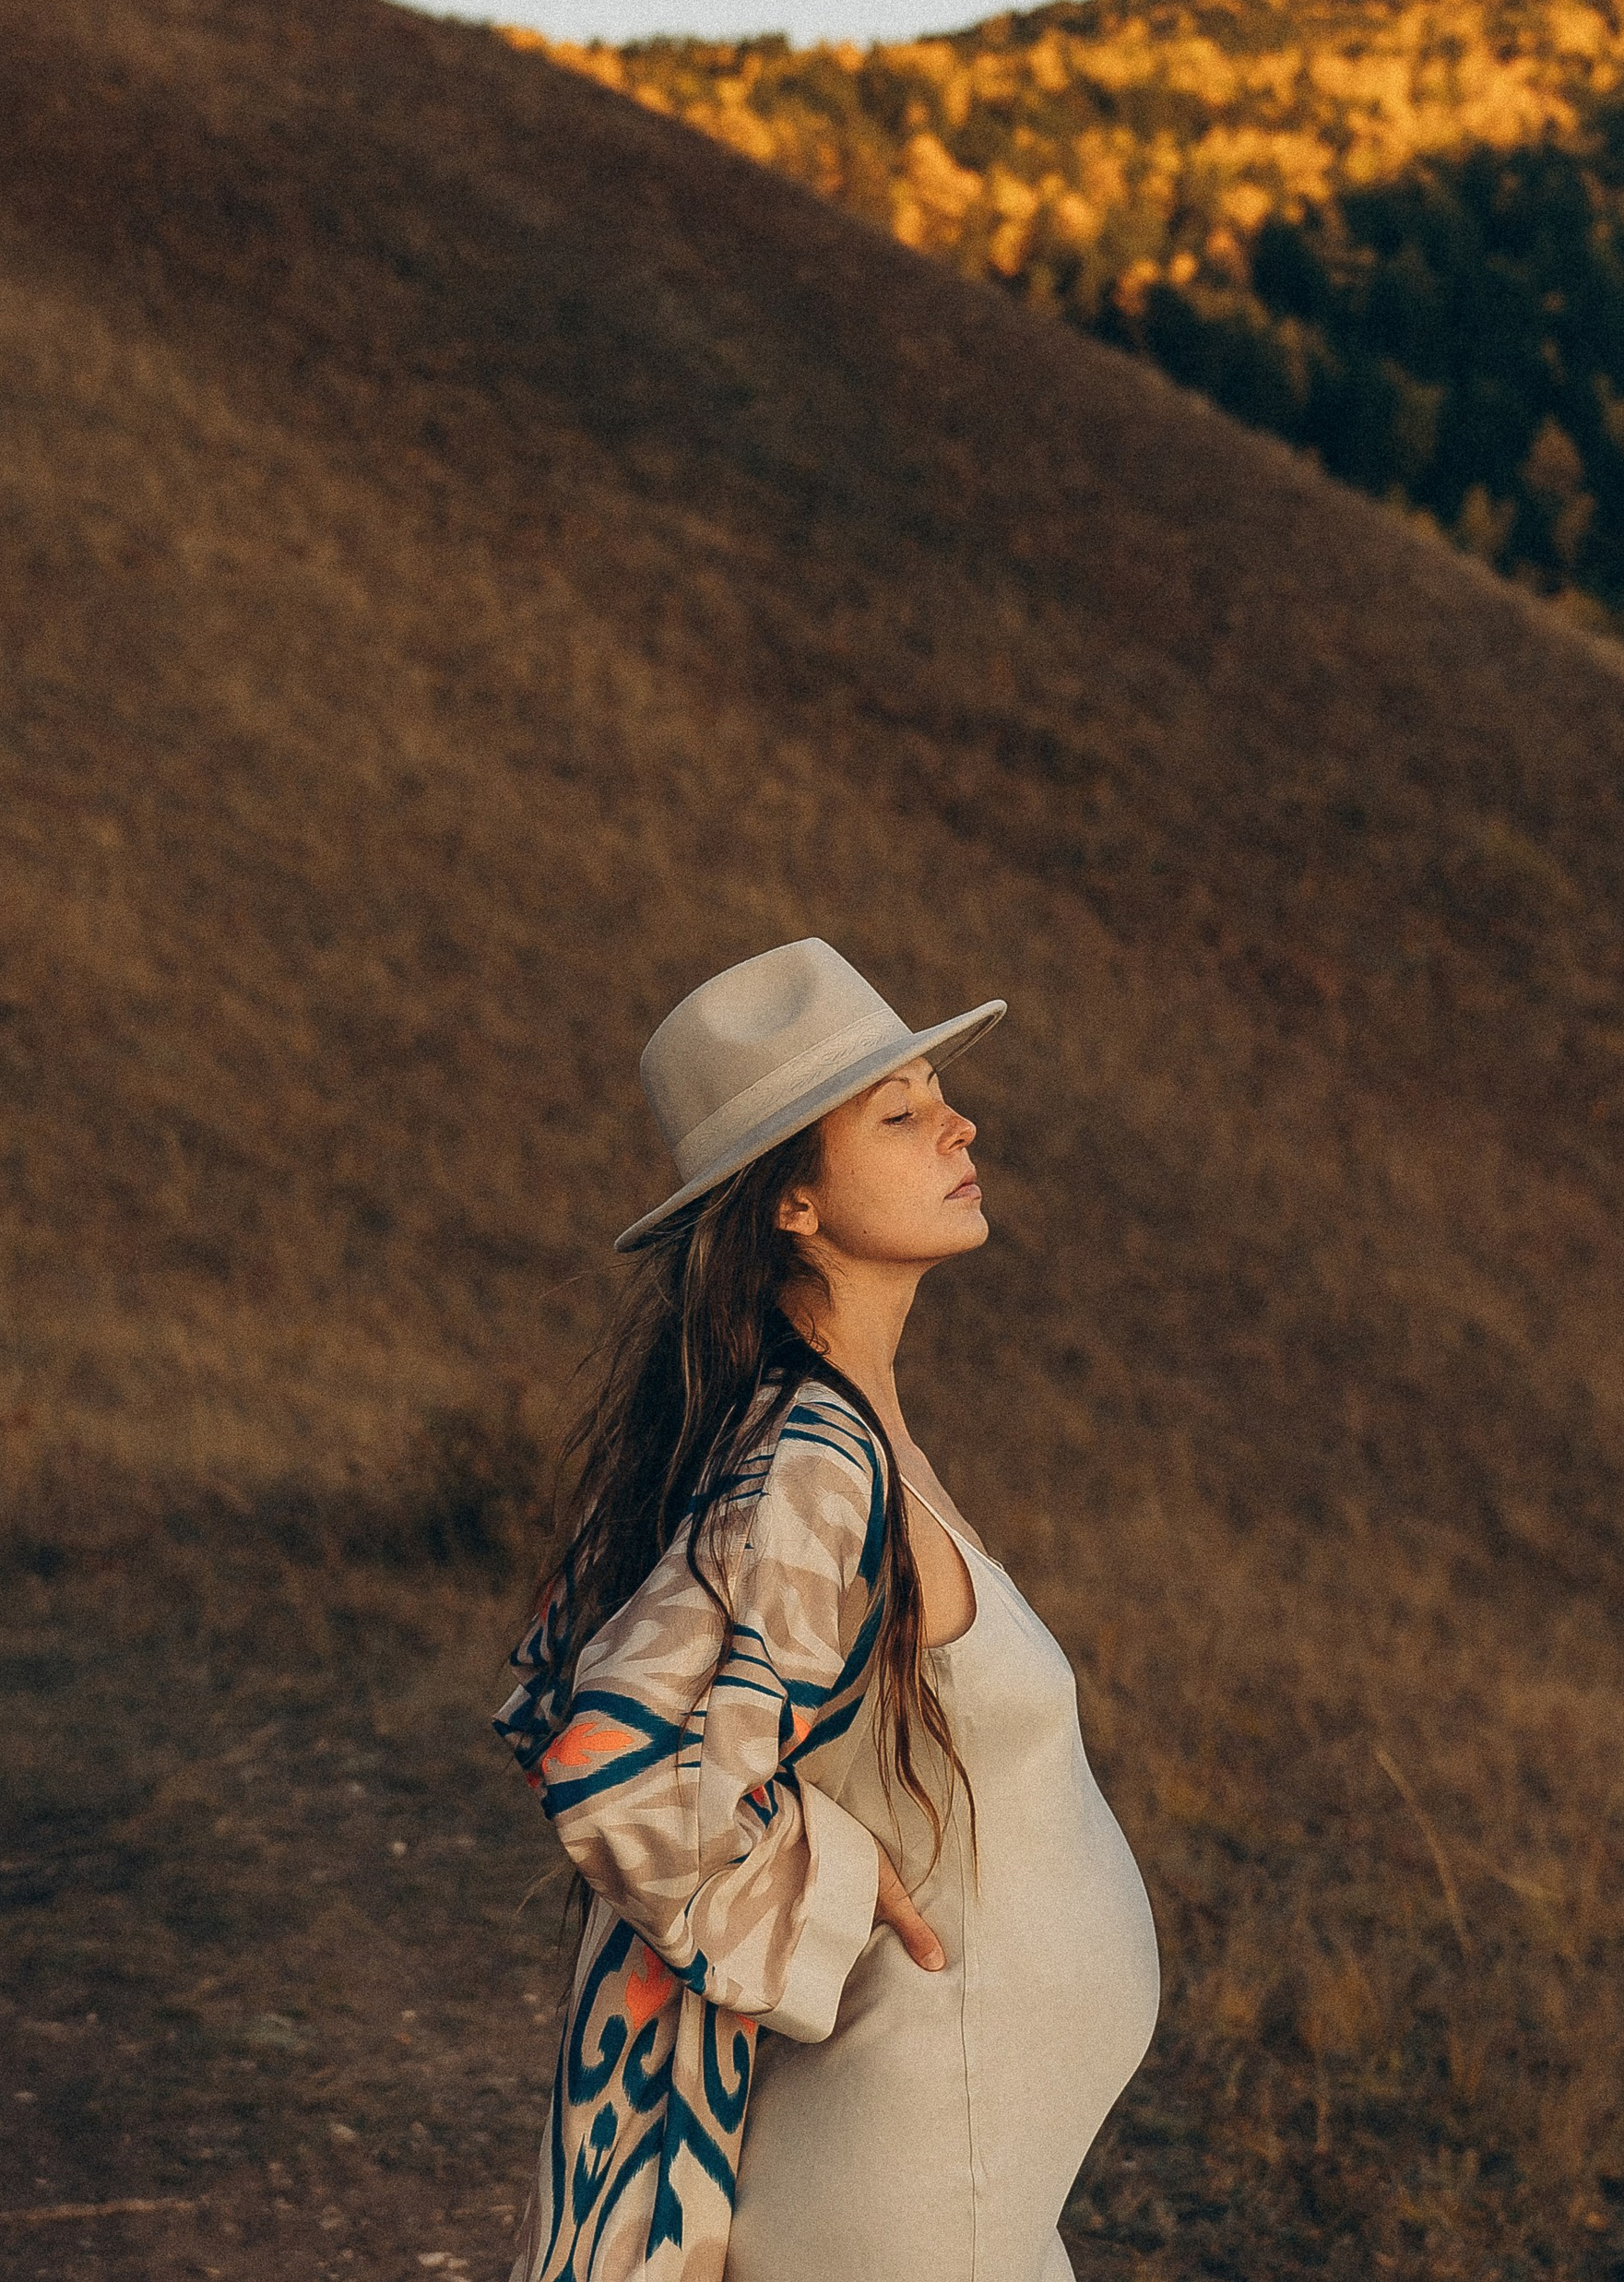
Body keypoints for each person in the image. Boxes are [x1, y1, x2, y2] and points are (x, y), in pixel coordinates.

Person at [495, 936, 1160, 2282]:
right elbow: (611, 1759)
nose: (960, 1128)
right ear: (792, 1202)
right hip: (920, 2166)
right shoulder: (809, 1458)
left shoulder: (838, 1424)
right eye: (901, 1116)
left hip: (964, 2167)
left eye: (941, 1098)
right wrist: (833, 1880)